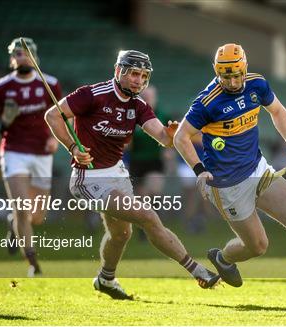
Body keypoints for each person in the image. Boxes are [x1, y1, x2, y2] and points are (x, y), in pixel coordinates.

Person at [174, 43, 286, 310]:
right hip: (227, 185)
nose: (232, 82)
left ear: (245, 68)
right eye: (225, 76)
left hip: (258, 170)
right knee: (257, 246)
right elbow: (180, 137)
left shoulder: (257, 84)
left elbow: (278, 111)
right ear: (216, 72)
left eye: (236, 75)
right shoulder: (207, 102)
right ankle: (223, 258)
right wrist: (200, 170)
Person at [44, 50, 219, 300]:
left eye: (143, 76)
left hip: (117, 174)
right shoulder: (91, 95)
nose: (139, 80)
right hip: (89, 177)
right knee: (147, 216)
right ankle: (196, 270)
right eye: (134, 74)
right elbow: (52, 115)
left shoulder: (138, 105)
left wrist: (171, 134)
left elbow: (161, 137)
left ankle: (105, 279)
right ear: (119, 71)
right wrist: (73, 147)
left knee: (121, 234)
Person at [0, 37, 61, 277]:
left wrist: (56, 139)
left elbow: (64, 115)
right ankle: (33, 263)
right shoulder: (0, 87)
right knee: (22, 208)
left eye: (25, 54)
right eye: (17, 54)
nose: (21, 58)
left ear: (34, 57)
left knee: (38, 216)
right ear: (12, 59)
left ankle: (14, 223)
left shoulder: (50, 84)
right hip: (13, 152)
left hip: (42, 153)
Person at [128, 85, 174, 241]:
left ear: (155, 98)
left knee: (153, 191)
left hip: (155, 161)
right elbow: (127, 142)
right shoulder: (133, 114)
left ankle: (155, 224)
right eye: (145, 96)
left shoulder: (161, 115)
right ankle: (145, 229)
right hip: (137, 161)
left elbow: (170, 138)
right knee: (142, 196)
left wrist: (168, 151)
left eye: (150, 96)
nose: (148, 99)